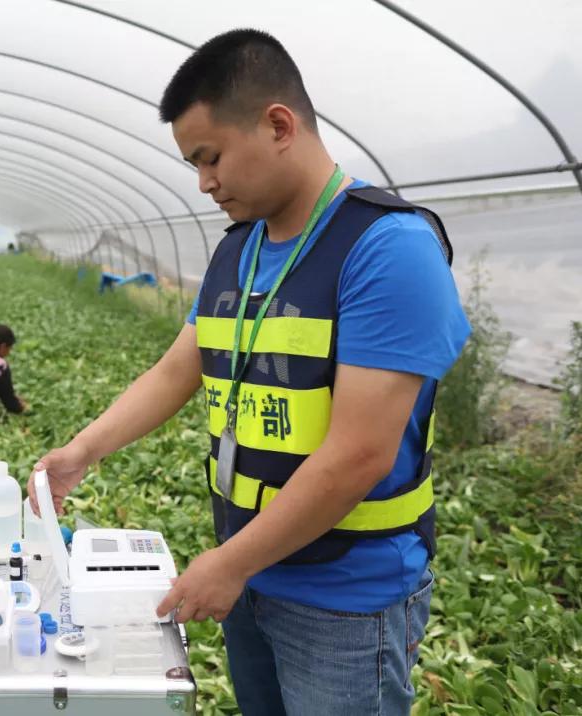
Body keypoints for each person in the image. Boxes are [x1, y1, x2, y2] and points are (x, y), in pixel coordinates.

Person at [30, 29, 470, 715]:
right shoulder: (239, 250)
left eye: (211, 159)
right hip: (252, 574)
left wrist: (229, 564)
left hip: (346, 602)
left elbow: (359, 455)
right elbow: (177, 371)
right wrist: (84, 451)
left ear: (277, 125)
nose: (205, 183)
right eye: (193, 165)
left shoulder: (386, 250)